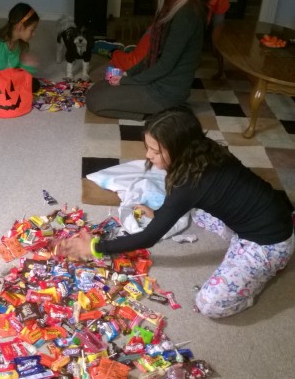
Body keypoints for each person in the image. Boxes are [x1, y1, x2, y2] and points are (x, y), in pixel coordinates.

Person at [56, 107, 294, 319]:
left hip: (269, 243)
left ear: (181, 149)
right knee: (197, 211)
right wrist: (162, 214)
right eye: (148, 147)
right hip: (273, 210)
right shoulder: (209, 150)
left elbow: (148, 238)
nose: (148, 156)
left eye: (155, 151)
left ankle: (262, 274)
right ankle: (248, 254)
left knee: (209, 305)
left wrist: (96, 247)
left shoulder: (189, 185)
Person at [86, 0, 205, 120]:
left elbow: (165, 65)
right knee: (98, 89)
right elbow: (152, 55)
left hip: (165, 92)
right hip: (156, 82)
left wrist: (127, 81)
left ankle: (157, 113)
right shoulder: (170, 6)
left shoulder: (186, 15)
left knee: (95, 100)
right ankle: (151, 109)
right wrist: (128, 74)